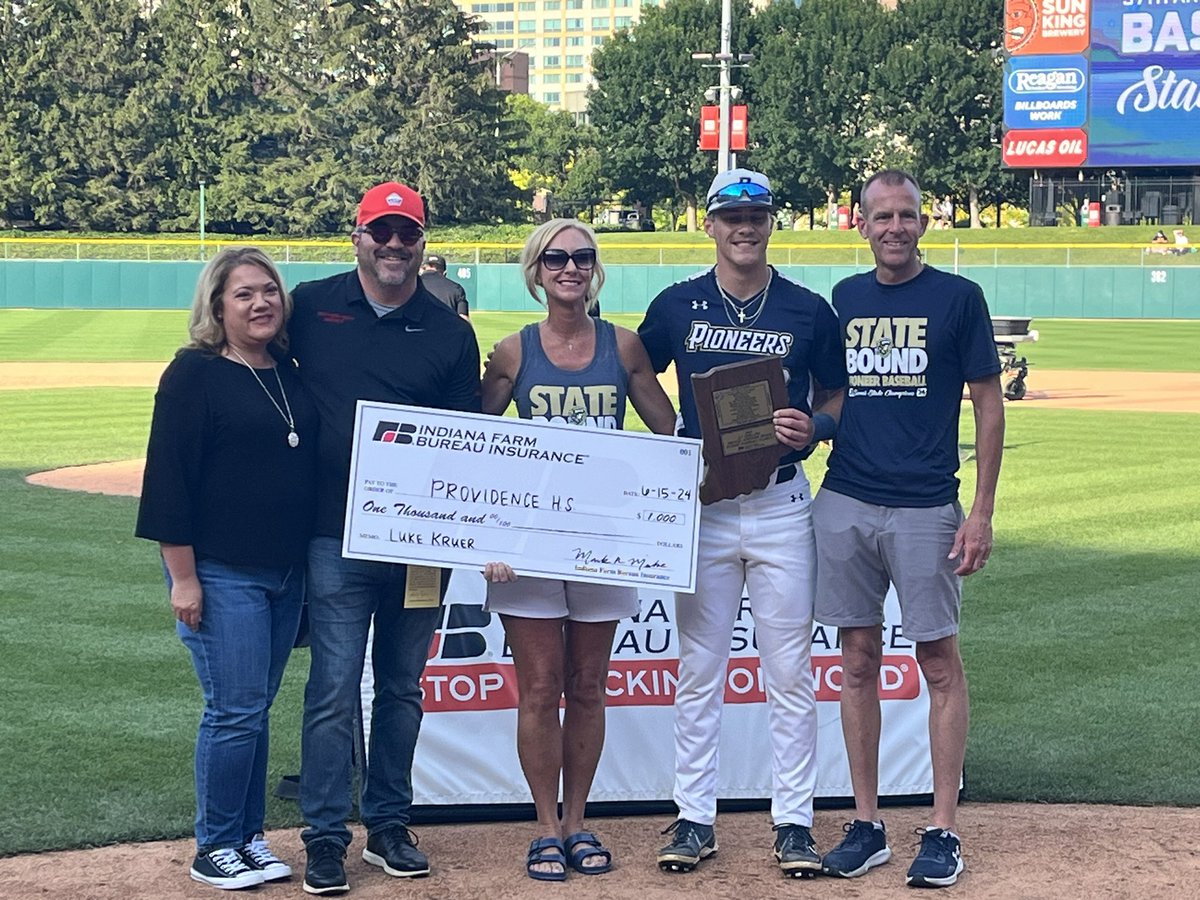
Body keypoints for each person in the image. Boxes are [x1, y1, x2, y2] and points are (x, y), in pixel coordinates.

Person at [637, 169, 847, 878]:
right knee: (700, 669)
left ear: (771, 223)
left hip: (782, 503)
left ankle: (794, 822)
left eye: (756, 215)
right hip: (706, 509)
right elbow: (636, 372)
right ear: (710, 224)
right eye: (732, 215)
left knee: (789, 672)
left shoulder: (807, 309)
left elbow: (838, 397)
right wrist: (672, 440)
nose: (744, 227)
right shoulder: (676, 304)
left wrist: (813, 425)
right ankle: (694, 817)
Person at [289, 181, 482, 895]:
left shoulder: (449, 333)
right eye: (383, 232)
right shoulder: (311, 305)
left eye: (408, 234)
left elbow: (469, 444)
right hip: (333, 534)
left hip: (420, 546)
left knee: (402, 689)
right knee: (335, 689)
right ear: (357, 236)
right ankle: (324, 836)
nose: (395, 245)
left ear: (423, 243)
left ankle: (389, 825)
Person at [814, 169, 1004, 889]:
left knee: (938, 664)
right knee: (856, 659)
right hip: (846, 499)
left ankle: (943, 827)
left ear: (923, 222)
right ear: (858, 222)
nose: (894, 227)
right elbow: (833, 393)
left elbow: (988, 405)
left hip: (927, 504)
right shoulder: (846, 298)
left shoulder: (959, 297)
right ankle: (867, 824)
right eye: (881, 215)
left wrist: (981, 509)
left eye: (907, 215)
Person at [480, 218, 677, 881]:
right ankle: (543, 827)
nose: (570, 267)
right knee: (538, 690)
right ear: (536, 272)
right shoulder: (512, 352)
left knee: (588, 687)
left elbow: (672, 434)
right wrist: (487, 538)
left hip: (604, 544)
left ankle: (577, 821)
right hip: (531, 548)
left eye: (582, 257)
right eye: (556, 258)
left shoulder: (623, 348)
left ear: (595, 269)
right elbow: (474, 450)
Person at [136, 247, 319, 890]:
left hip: (284, 573)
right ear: (217, 305)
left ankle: (248, 836)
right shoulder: (195, 374)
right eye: (243, 294)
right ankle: (213, 842)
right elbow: (168, 483)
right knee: (233, 710)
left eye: (269, 290)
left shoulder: (289, 372)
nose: (260, 302)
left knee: (255, 708)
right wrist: (183, 578)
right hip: (220, 571)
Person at [419, 254, 469, 318]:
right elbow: (463, 318)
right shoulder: (456, 288)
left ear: (421, 270)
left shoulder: (411, 286)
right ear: (445, 273)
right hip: (448, 327)